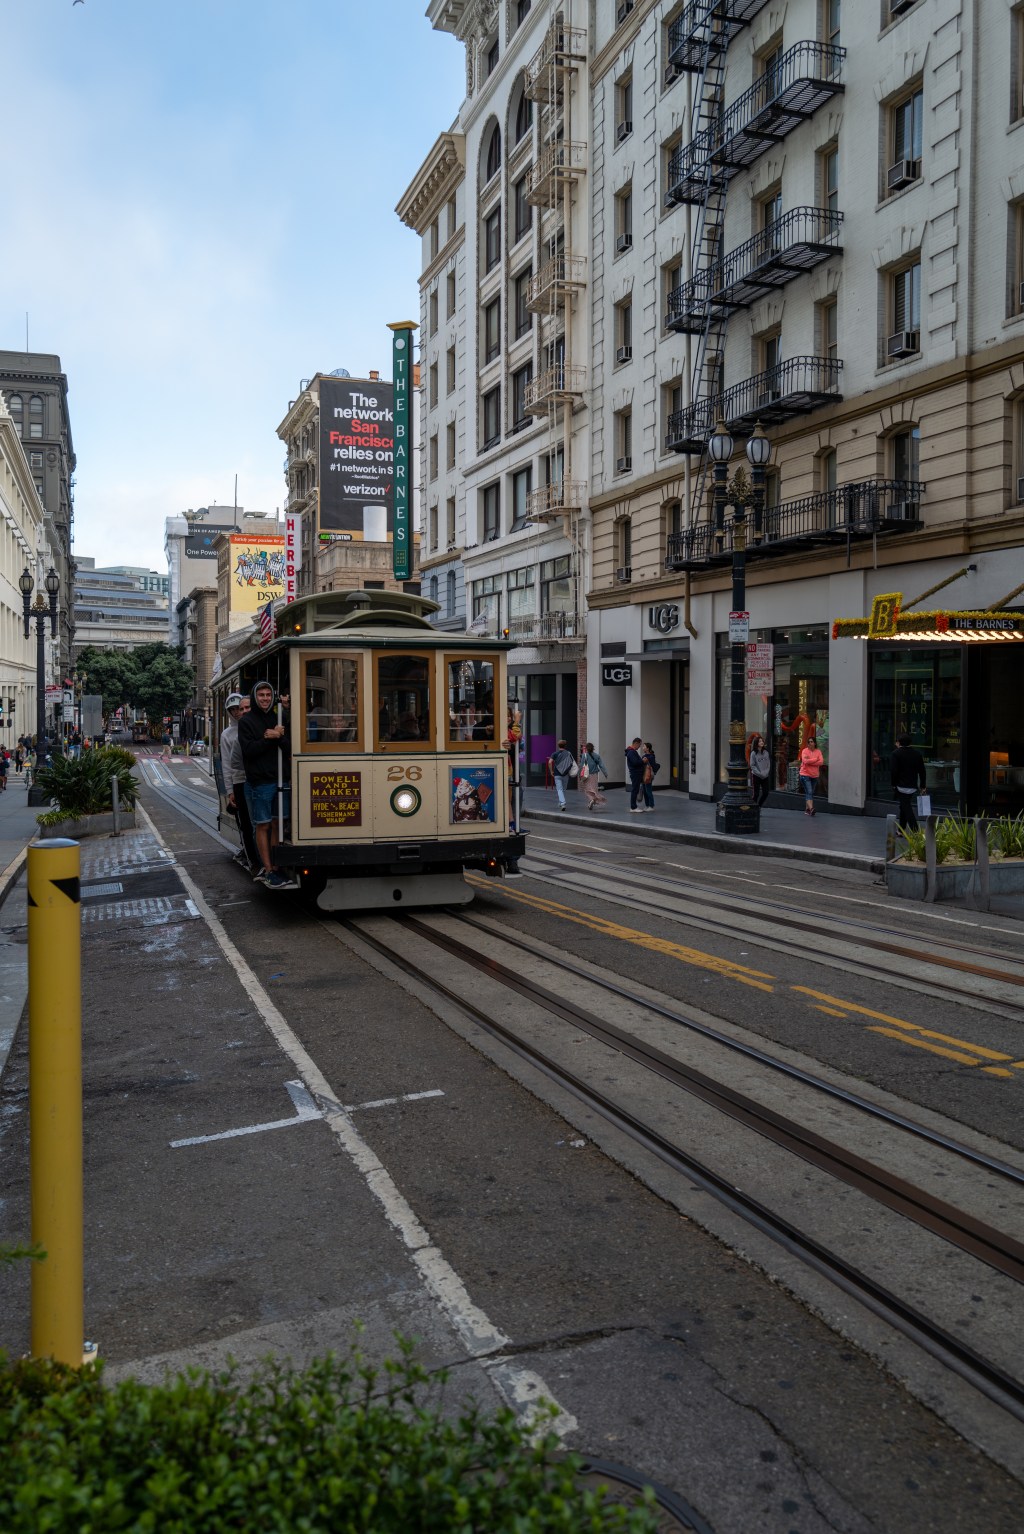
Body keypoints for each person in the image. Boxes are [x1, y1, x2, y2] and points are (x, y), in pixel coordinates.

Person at [239, 680, 299, 890]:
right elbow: (249, 750)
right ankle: (268, 869)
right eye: (261, 695)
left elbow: (289, 745)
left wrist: (277, 736)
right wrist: (269, 738)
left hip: (280, 780)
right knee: (262, 825)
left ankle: (276, 865)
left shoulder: (277, 718)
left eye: (267, 695)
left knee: (278, 824)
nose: (265, 698)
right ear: (255, 697)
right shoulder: (246, 722)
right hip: (261, 783)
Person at [219, 692, 260, 874]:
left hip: (257, 779)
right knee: (246, 823)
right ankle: (253, 862)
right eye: (233, 709)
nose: (237, 712)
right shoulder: (227, 735)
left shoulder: (255, 725)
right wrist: (230, 791)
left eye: (240, 708)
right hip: (240, 781)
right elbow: (227, 764)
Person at [890, 733, 927, 830]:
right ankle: (901, 830)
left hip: (900, 786)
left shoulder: (895, 753)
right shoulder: (917, 754)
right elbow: (922, 771)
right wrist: (923, 785)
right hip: (912, 786)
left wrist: (893, 784)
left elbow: (894, 771)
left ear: (898, 742)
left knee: (906, 808)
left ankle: (915, 830)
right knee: (903, 807)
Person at [798, 733, 824, 815]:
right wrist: (815, 759)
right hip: (805, 774)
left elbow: (821, 762)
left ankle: (807, 810)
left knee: (810, 792)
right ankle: (811, 809)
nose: (810, 743)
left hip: (815, 775)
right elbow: (805, 761)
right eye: (808, 742)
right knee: (809, 792)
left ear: (815, 743)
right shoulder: (804, 751)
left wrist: (811, 761)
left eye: (811, 741)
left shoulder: (818, 751)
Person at [579, 741, 608, 810]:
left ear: (586, 748)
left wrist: (580, 774)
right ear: (593, 748)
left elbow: (581, 766)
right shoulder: (597, 756)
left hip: (586, 775)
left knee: (587, 789)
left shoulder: (584, 755)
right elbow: (601, 765)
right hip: (594, 775)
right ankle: (593, 800)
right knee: (594, 789)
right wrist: (605, 773)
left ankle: (592, 800)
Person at [549, 738, 576, 810]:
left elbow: (549, 762)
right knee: (563, 789)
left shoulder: (554, 754)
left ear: (558, 746)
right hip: (565, 774)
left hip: (557, 774)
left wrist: (551, 771)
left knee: (560, 790)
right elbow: (571, 762)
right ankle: (562, 803)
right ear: (565, 746)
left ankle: (562, 803)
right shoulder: (568, 753)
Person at [749, 734, 771, 807]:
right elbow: (752, 765)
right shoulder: (753, 753)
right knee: (756, 794)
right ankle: (753, 808)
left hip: (765, 776)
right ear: (756, 743)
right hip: (756, 776)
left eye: (762, 741)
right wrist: (760, 773)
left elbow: (768, 764)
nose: (762, 742)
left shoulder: (766, 752)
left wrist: (766, 773)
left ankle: (758, 806)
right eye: (760, 741)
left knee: (766, 792)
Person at [625, 737, 646, 812]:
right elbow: (635, 763)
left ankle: (634, 806)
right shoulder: (631, 752)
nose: (639, 747)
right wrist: (642, 761)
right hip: (635, 773)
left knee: (635, 789)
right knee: (635, 790)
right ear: (635, 743)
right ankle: (633, 807)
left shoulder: (631, 751)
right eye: (639, 745)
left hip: (636, 773)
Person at [640, 742, 660, 811]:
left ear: (648, 748)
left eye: (644, 746)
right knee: (645, 791)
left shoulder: (651, 756)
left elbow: (653, 766)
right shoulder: (644, 756)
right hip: (643, 775)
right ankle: (647, 805)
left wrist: (646, 760)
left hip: (648, 775)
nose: (643, 748)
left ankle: (651, 806)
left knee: (648, 791)